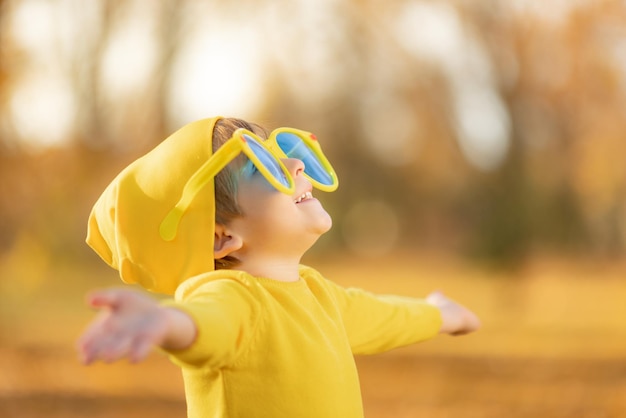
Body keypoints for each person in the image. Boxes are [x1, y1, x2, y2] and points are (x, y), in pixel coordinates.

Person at [77, 116, 480, 418]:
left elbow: (383, 318)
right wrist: (165, 323)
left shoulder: (318, 294)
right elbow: (204, 323)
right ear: (221, 238)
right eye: (262, 167)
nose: (296, 166)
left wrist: (438, 315)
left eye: (283, 153)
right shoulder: (233, 297)